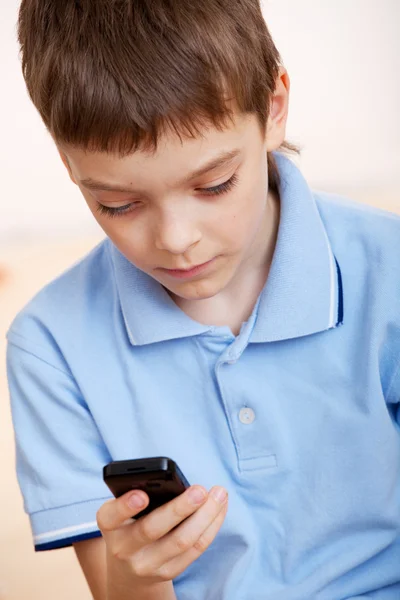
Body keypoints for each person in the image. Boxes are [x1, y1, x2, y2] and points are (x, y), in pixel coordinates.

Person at [6, 0, 400, 599]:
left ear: (273, 107)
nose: (176, 239)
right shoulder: (50, 346)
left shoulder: (386, 269)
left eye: (213, 184)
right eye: (118, 204)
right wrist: (137, 573)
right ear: (68, 163)